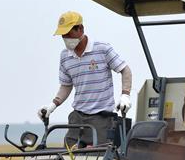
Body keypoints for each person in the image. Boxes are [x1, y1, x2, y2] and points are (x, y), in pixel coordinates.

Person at [37, 11, 132, 146]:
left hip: (102, 117)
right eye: (63, 35)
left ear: (80, 29)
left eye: (68, 34)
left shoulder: (102, 48)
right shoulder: (65, 56)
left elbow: (125, 70)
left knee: (99, 159)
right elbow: (66, 85)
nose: (65, 38)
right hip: (77, 116)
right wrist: (52, 105)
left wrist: (125, 95)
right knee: (67, 156)